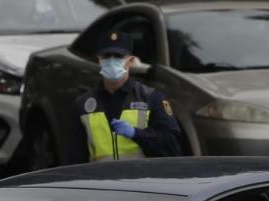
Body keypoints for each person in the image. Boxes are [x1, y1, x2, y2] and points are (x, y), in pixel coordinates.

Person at [68, 31, 183, 164]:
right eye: (106, 56)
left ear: (130, 60)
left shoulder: (151, 98)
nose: (111, 61)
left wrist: (137, 134)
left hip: (140, 180)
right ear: (99, 60)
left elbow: (173, 146)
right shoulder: (83, 104)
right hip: (100, 182)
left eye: (118, 56)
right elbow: (75, 158)